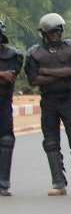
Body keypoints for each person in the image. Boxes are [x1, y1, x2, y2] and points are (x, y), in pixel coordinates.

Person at [26, 13, 71, 196]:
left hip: (68, 99)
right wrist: (61, 73)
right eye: (50, 32)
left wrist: (46, 72)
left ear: (61, 30)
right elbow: (33, 79)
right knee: (50, 141)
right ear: (43, 33)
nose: (54, 34)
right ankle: (58, 183)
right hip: (48, 100)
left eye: (57, 31)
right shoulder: (34, 52)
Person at [0, 20, 23, 196]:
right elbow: (4, 77)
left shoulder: (14, 55)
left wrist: (4, 77)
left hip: (4, 102)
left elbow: (10, 78)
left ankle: (3, 183)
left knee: (7, 139)